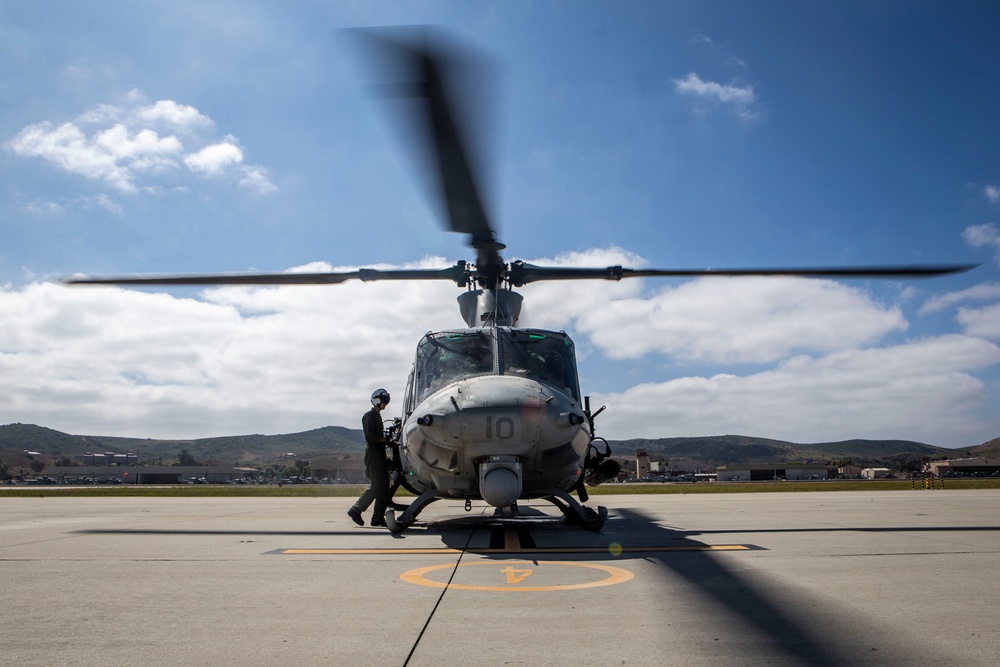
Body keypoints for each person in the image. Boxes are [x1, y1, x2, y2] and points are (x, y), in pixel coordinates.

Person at [348, 388, 392, 527]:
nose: (385, 404)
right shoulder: (369, 416)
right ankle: (356, 509)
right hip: (373, 455)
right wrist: (384, 439)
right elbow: (369, 436)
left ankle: (377, 517)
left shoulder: (378, 416)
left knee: (384, 487)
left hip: (379, 454)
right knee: (377, 486)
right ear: (377, 401)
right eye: (384, 401)